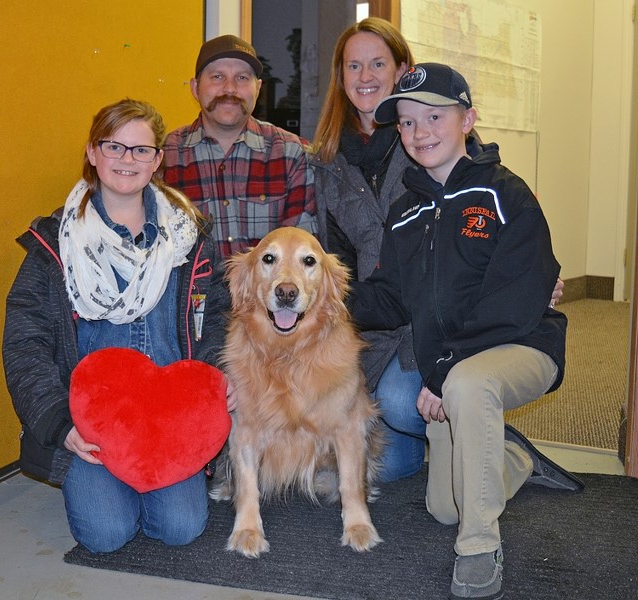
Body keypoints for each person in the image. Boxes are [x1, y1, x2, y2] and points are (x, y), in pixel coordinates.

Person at [349, 63, 583, 599]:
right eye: (407, 123)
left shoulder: (506, 194)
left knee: (470, 388)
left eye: (435, 116)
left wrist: (447, 366)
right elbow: (390, 297)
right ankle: (515, 459)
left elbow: (519, 298)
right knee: (443, 506)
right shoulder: (404, 213)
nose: (420, 132)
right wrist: (325, 300)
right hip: (451, 369)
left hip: (522, 346)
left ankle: (479, 548)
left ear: (468, 119)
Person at [3, 98, 231, 554]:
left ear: (158, 159)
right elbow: (25, 343)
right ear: (92, 152)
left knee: (181, 528)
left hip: (171, 420)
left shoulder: (189, 237)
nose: (127, 160)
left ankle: (144, 488)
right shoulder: (55, 245)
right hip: (92, 429)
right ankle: (108, 487)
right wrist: (60, 423)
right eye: (114, 147)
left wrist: (221, 379)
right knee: (105, 536)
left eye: (141, 150)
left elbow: (222, 319)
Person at [310, 18, 425, 482]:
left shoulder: (427, 136)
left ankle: (472, 426)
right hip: (372, 325)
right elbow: (337, 264)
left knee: (398, 405)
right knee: (384, 466)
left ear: (402, 70)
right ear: (340, 76)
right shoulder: (327, 161)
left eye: (378, 63)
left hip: (427, 326)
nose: (365, 76)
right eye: (353, 65)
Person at [163, 34, 317, 259]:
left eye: (242, 78)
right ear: (195, 88)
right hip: (192, 295)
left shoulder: (291, 154)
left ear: (258, 88)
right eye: (217, 77)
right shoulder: (166, 155)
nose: (230, 88)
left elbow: (301, 257)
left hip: (265, 295)